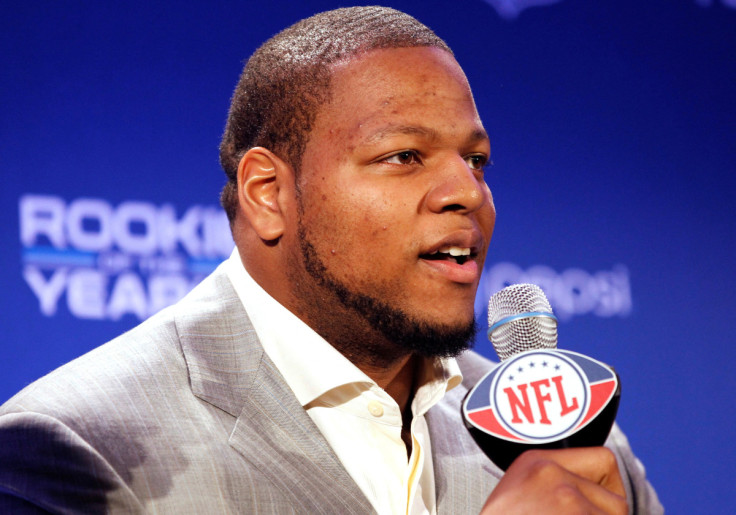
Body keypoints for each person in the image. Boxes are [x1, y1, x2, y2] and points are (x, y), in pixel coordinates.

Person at [0, 6, 661, 514]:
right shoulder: (73, 448)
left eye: (476, 160)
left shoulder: (575, 450)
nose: (469, 192)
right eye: (405, 156)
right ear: (269, 194)